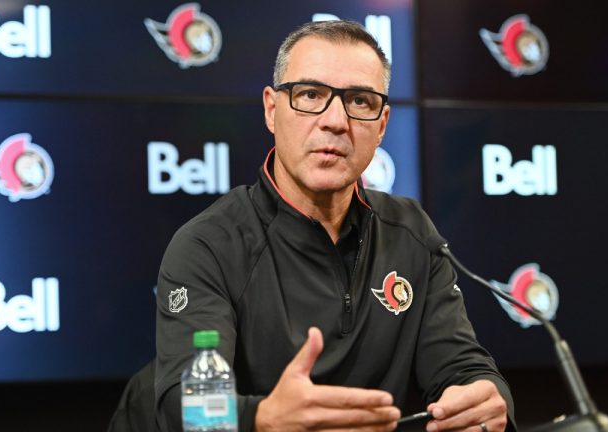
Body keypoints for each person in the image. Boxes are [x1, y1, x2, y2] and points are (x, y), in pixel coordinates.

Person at [154, 20, 514, 432]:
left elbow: (461, 365)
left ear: (381, 125)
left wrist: (485, 397)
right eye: (311, 95)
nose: (336, 121)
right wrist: (262, 418)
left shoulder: (411, 231)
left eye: (360, 101)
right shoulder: (209, 245)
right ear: (272, 110)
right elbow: (184, 406)